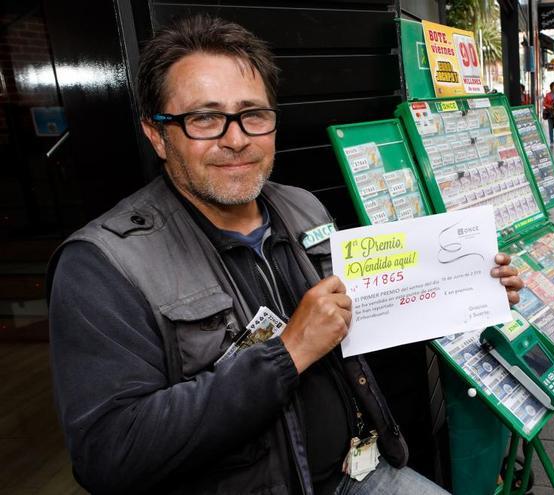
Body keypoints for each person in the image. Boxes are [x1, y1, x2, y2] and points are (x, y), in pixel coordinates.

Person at [47, 15, 524, 494]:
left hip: (355, 474)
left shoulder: (302, 207)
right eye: (205, 118)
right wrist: (288, 353)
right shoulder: (103, 266)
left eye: (253, 114)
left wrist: (467, 290)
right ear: (157, 134)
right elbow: (108, 455)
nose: (236, 139)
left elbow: (370, 315)